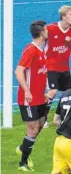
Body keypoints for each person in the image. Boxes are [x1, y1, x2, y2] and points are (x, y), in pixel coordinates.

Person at [15, 20, 48, 171]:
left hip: (40, 97)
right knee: (33, 129)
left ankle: (23, 147)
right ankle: (23, 162)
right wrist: (27, 91)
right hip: (29, 98)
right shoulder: (31, 50)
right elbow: (18, 71)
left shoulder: (41, 50)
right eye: (46, 29)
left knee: (41, 125)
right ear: (42, 32)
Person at [44, 5, 71, 128]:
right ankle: (43, 118)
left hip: (65, 68)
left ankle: (59, 117)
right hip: (50, 67)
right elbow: (39, 41)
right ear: (63, 17)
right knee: (53, 91)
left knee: (67, 94)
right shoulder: (50, 29)